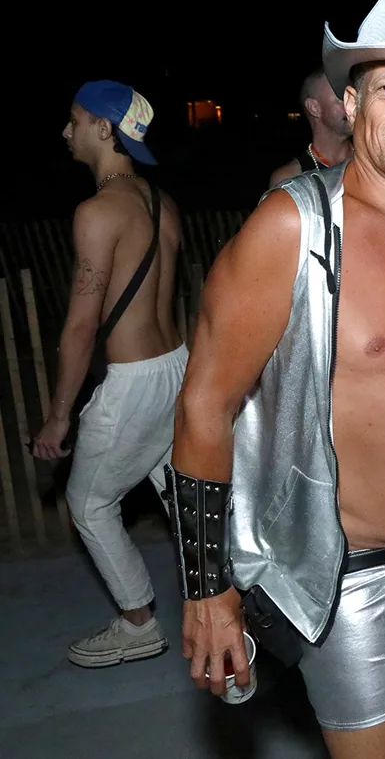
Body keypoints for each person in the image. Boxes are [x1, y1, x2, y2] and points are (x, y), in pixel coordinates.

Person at [166, 0, 385, 759]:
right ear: (352, 106)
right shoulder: (292, 229)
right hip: (351, 583)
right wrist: (207, 588)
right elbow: (204, 406)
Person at [31, 80, 187, 667]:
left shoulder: (97, 212)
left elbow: (80, 326)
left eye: (74, 120)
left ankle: (137, 622)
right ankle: (234, 599)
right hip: (177, 367)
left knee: (89, 504)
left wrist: (58, 418)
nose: (65, 131)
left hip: (135, 383)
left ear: (103, 128)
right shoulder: (160, 200)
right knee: (186, 499)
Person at [269, 69, 353, 187]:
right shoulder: (290, 180)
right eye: (341, 98)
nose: (352, 105)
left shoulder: (372, 160)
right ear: (314, 108)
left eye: (352, 97)